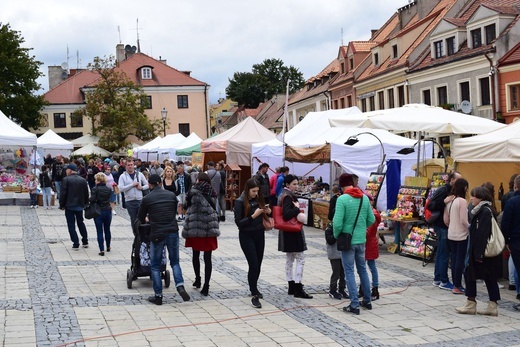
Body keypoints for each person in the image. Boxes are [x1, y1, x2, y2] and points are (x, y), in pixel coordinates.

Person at [137, 174, 190, 305]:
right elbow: (174, 212)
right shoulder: (171, 195)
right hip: (172, 230)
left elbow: (141, 217)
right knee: (175, 262)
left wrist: (149, 218)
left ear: (149, 185)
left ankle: (158, 296)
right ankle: (180, 285)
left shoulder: (147, 198)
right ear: (161, 183)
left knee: (155, 266)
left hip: (157, 233)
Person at [333, 173, 375, 315]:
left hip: (348, 240)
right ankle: (367, 300)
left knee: (349, 271)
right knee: (362, 269)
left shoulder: (342, 199)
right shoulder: (364, 197)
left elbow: (337, 223)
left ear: (341, 185)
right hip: (361, 239)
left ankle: (354, 304)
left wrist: (336, 235)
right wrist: (361, 229)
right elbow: (371, 219)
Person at [456, 186, 501, 316]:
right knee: (488, 277)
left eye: (473, 196)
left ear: (480, 198)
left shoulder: (485, 211)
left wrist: (478, 254)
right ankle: (490, 305)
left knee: (471, 274)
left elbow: (482, 234)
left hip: (482, 252)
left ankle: (473, 304)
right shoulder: (482, 210)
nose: (471, 198)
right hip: (482, 252)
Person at [234, 178, 271, 308]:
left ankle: (254, 287)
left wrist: (267, 212)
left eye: (257, 191)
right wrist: (253, 216)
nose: (255, 193)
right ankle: (254, 291)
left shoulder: (258, 199)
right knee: (253, 264)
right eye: (253, 191)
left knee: (258, 263)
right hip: (246, 235)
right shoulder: (239, 202)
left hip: (259, 234)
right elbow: (239, 223)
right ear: (247, 189)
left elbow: (265, 214)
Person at [182, 172, 220, 297]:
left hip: (195, 228)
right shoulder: (212, 192)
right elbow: (215, 209)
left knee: (195, 254)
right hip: (209, 228)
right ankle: (206, 285)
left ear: (198, 180)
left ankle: (198, 279)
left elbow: (185, 207)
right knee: (207, 258)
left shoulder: (193, 192)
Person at [278, 174, 312, 299]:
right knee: (300, 258)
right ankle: (297, 287)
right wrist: (297, 209)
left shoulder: (283, 195)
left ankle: (292, 285)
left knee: (290, 259)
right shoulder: (287, 196)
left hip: (287, 232)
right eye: (294, 184)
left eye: (297, 184)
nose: (296, 186)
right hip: (292, 231)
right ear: (287, 184)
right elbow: (286, 214)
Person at [427, 170, 462, 290]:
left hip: (444, 225)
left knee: (442, 252)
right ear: (452, 180)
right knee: (444, 253)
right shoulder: (443, 190)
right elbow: (430, 205)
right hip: (441, 225)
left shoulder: (451, 190)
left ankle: (437, 279)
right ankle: (443, 280)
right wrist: (444, 202)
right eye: (458, 180)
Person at [443, 178, 469, 295]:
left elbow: (446, 219)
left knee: (453, 259)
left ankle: (455, 284)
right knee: (460, 260)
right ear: (464, 188)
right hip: (461, 234)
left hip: (451, 233)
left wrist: (451, 225)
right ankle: (458, 285)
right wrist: (469, 227)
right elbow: (464, 220)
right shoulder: (462, 201)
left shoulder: (450, 201)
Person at [325, 185, 348, 300]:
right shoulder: (330, 227)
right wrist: (336, 232)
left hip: (342, 251)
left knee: (343, 272)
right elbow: (330, 240)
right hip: (334, 253)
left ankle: (342, 289)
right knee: (336, 272)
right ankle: (332, 289)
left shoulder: (343, 226)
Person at [60, 163, 90, 250]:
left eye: (66, 170)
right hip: (80, 205)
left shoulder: (66, 180)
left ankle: (75, 243)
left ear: (69, 170)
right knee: (81, 222)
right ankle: (85, 241)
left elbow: (63, 194)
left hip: (69, 205)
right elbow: (86, 193)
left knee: (71, 224)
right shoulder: (83, 180)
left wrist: (62, 205)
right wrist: (85, 203)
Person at [501, 175, 520, 308]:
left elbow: (505, 223)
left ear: (515, 186)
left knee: (518, 267)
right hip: (515, 238)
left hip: (516, 239)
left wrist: (506, 239)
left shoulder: (512, 202)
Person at [118, 159, 149, 228]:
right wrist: (132, 185)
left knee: (142, 218)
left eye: (131, 165)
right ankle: (136, 235)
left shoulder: (139, 174)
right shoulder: (122, 176)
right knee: (134, 219)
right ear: (125, 166)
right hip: (129, 201)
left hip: (140, 200)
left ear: (134, 165)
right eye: (128, 165)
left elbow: (147, 185)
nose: (130, 166)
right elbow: (120, 188)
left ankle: (142, 234)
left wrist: (141, 188)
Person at [362, 196, 382, 301]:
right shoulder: (369, 212)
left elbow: (368, 231)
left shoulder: (373, 214)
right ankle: (363, 287)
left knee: (371, 266)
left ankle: (375, 288)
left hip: (369, 243)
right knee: (362, 267)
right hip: (367, 243)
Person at [90, 172, 112, 256]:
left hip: (98, 211)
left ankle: (102, 249)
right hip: (107, 210)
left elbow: (92, 199)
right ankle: (108, 246)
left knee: (99, 230)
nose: (95, 181)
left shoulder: (95, 189)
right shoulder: (108, 189)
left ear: (98, 180)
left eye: (96, 179)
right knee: (107, 229)